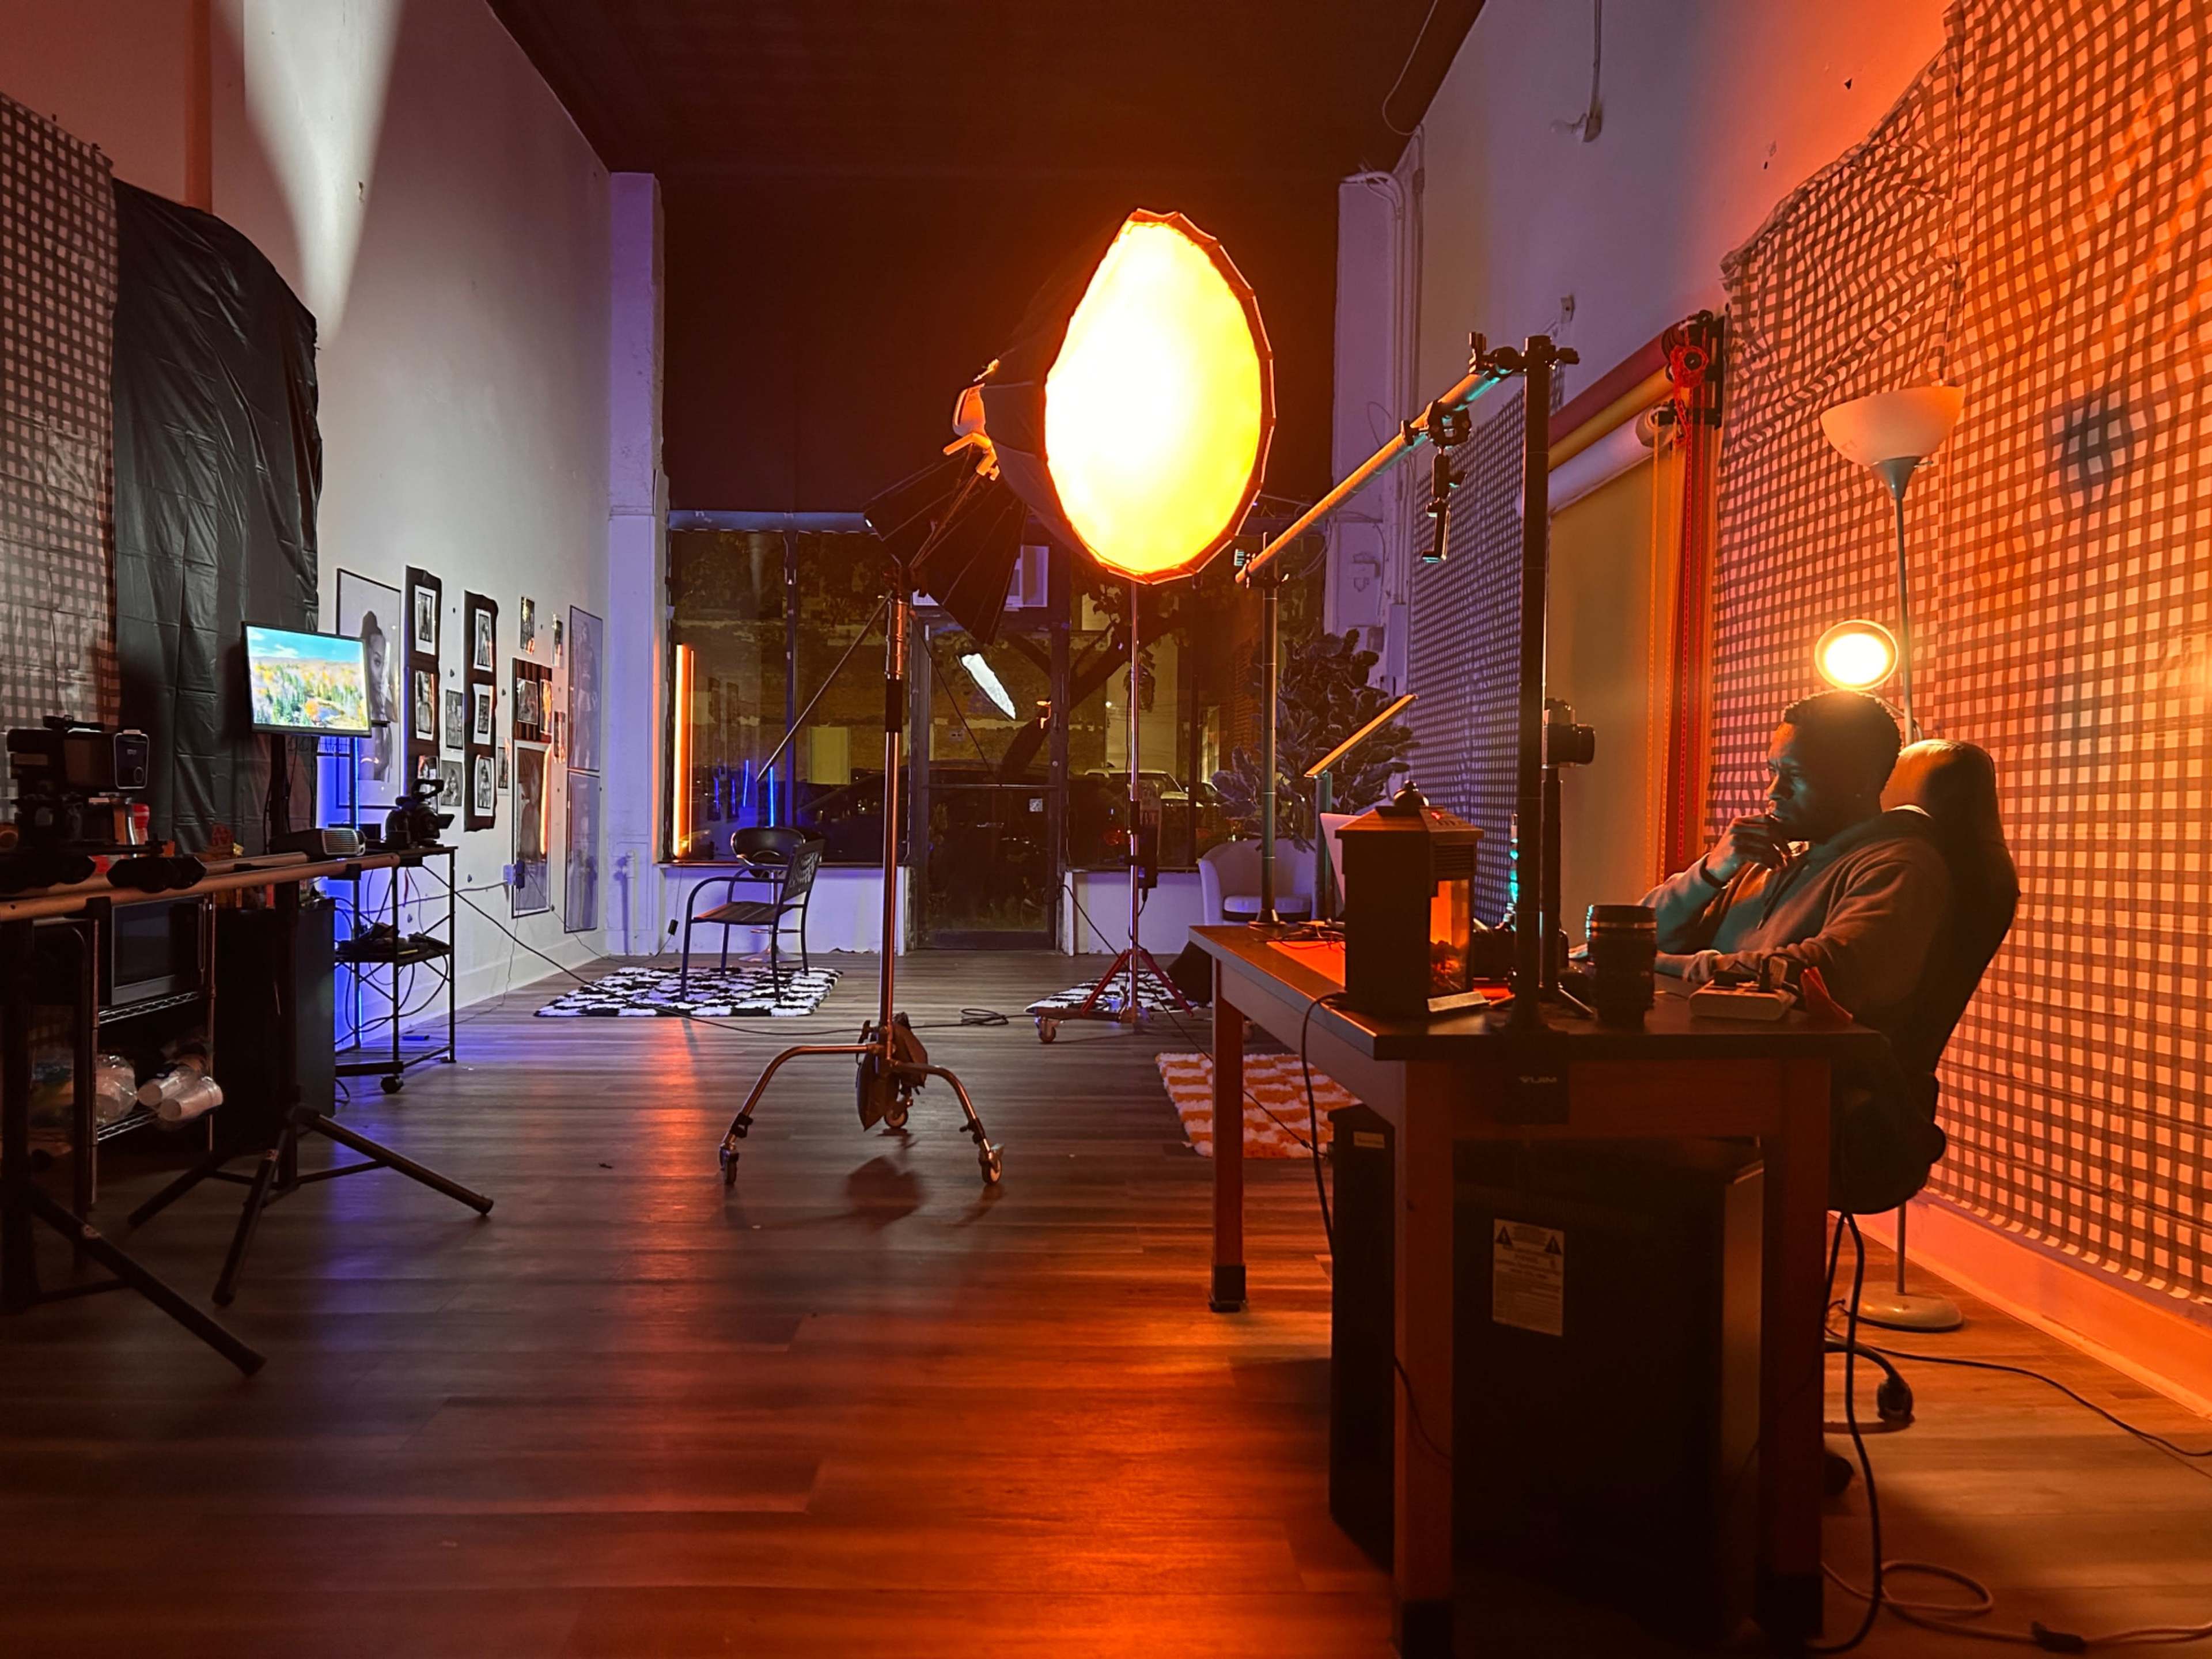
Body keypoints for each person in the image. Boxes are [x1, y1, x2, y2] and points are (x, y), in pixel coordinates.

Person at [1641, 690, 1953, 1212]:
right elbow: (1636, 932)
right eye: (1772, 771)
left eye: (1795, 775)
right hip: (1717, 1074)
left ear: (1855, 779)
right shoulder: (1767, 857)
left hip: (1799, 1097)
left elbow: (1817, 975)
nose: (1773, 792)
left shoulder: (1899, 865)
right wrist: (1711, 872)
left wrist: (1651, 966)